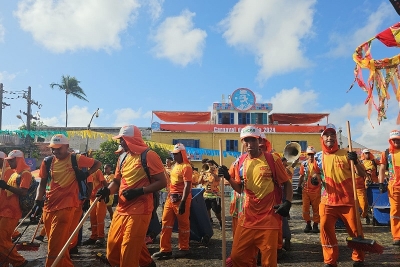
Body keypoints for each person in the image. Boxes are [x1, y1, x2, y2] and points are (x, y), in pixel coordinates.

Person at [219, 125, 292, 267]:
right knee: (237, 257)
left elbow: (287, 183)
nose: (249, 144)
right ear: (242, 142)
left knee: (268, 262)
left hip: (269, 219)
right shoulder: (241, 162)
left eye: (252, 140)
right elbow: (240, 189)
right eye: (246, 141)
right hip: (246, 218)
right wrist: (228, 177)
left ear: (259, 141)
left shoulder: (272, 159)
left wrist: (287, 202)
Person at [96, 125, 166, 267]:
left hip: (140, 209)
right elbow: (116, 181)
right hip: (122, 209)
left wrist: (140, 191)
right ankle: (147, 263)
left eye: (122, 139)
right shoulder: (122, 158)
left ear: (131, 140)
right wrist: (107, 190)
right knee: (113, 245)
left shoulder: (149, 155)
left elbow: (162, 182)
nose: (120, 143)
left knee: (128, 247)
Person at [33, 134, 101, 267]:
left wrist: (86, 174)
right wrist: (37, 200)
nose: (56, 151)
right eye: (53, 148)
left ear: (67, 147)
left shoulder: (76, 158)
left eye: (59, 148)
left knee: (54, 244)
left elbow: (98, 163)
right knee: (56, 242)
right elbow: (42, 183)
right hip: (49, 205)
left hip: (67, 206)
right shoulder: (47, 162)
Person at [314, 124, 366, 267]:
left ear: (336, 137)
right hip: (327, 200)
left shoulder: (347, 154)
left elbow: (362, 174)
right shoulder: (318, 157)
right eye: (326, 135)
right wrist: (315, 179)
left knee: (355, 231)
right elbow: (316, 174)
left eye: (332, 135)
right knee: (324, 228)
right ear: (322, 138)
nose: (329, 137)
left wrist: (355, 161)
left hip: (348, 200)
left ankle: (358, 258)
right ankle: (330, 261)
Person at [152, 143, 193, 260]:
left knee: (183, 224)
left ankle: (184, 248)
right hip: (171, 198)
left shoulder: (187, 167)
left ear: (182, 154)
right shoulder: (175, 166)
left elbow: (187, 186)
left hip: (181, 199)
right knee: (165, 223)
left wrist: (184, 202)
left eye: (176, 154)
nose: (174, 157)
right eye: (173, 154)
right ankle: (165, 249)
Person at [0, 150, 30, 267]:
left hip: (12, 212)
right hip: (4, 210)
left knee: (1, 239)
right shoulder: (14, 173)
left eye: (12, 161)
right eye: (9, 161)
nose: (9, 163)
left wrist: (6, 186)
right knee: (4, 240)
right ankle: (4, 262)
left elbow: (23, 192)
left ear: (19, 160)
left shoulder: (25, 173)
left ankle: (19, 261)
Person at [378, 130, 400, 246]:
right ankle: (397, 236)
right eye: (394, 140)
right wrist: (381, 183)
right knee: (395, 211)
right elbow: (382, 169)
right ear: (390, 141)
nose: (396, 142)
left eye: (398, 139)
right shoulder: (386, 153)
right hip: (394, 187)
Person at [297, 146, 322, 233]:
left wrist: (318, 177)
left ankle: (315, 225)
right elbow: (301, 175)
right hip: (306, 190)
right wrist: (298, 186)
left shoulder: (319, 164)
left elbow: (323, 174)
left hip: (316, 190)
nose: (311, 156)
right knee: (305, 209)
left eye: (312, 154)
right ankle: (308, 224)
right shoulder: (304, 164)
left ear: (315, 155)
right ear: (307, 155)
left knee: (316, 209)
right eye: (309, 154)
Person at [82, 167, 108, 247]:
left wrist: (106, 193)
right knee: (93, 218)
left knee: (99, 218)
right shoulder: (84, 171)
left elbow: (104, 182)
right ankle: (94, 236)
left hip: (99, 197)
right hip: (92, 198)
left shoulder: (97, 171)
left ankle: (101, 237)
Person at [199, 159, 222, 229]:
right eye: (207, 165)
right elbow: (199, 182)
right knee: (207, 209)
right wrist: (202, 175)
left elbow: (218, 179)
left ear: (213, 165)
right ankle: (209, 221)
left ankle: (220, 221)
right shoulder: (204, 172)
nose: (208, 166)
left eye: (210, 165)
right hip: (205, 194)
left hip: (215, 195)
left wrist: (212, 173)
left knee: (216, 211)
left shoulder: (216, 171)